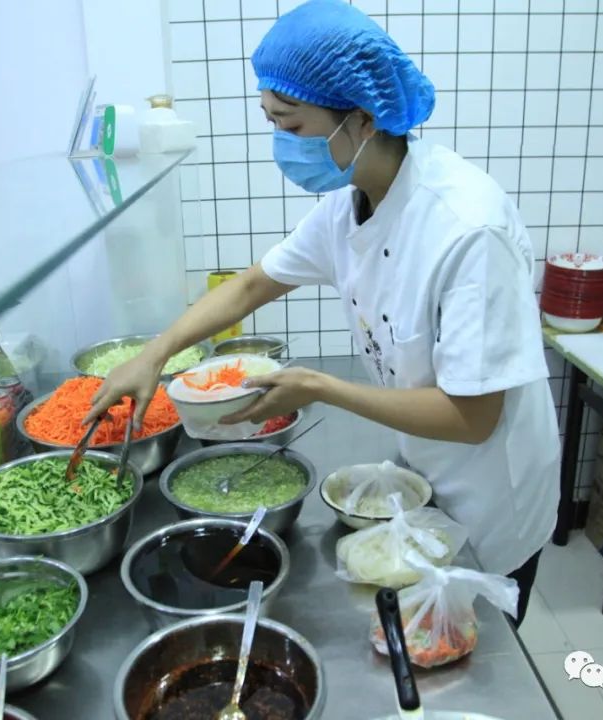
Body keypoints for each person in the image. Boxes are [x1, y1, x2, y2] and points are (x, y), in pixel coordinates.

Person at [87, 0, 558, 625]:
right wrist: (155, 354)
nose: (282, 144)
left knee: (474, 641)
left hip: (495, 492)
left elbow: (472, 417)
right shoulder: (352, 198)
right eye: (272, 123)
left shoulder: (467, 230)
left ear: (361, 120)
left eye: (292, 125)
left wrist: (318, 388)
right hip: (427, 470)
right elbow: (254, 285)